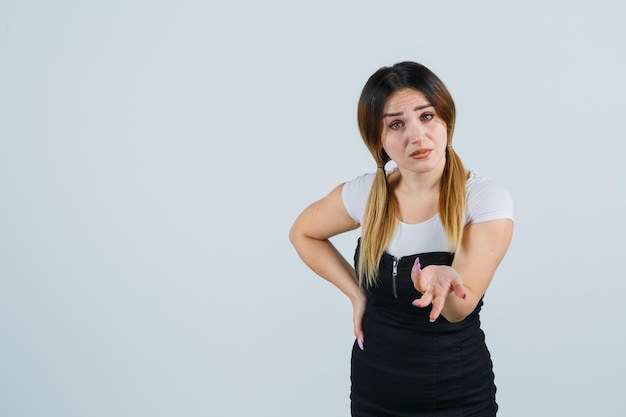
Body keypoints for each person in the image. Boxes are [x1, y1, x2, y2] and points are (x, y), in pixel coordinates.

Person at [289, 61, 514, 417]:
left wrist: (440, 280)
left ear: (446, 120)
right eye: (396, 124)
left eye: (426, 117)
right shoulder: (367, 194)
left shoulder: (485, 200)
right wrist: (356, 292)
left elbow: (458, 310)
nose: (416, 136)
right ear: (378, 140)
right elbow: (303, 232)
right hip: (373, 388)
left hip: (455, 394)